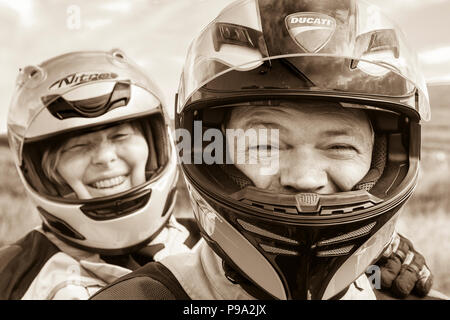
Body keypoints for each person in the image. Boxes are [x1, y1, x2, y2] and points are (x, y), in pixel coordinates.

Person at [93, 0, 446, 300]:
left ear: (384, 160)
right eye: (265, 145)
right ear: (213, 152)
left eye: (340, 146)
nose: (305, 180)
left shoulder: (395, 290)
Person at [0, 49, 200, 299]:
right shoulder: (10, 277)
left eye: (121, 136)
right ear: (49, 172)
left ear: (157, 143)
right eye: (78, 146)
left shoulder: (218, 249)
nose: (105, 158)